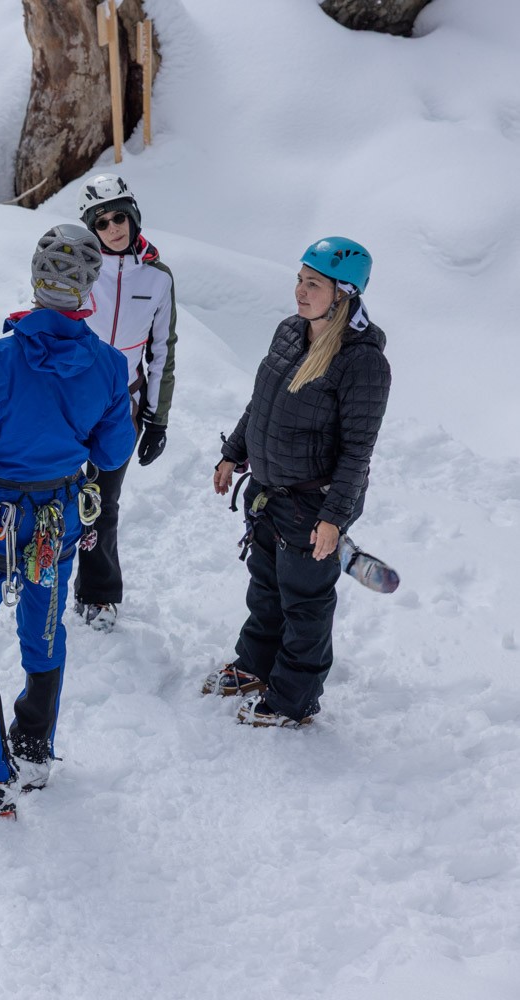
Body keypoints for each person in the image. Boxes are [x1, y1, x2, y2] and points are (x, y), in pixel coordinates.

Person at [0, 225, 136, 818]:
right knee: (43, 617)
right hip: (55, 520)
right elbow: (114, 453)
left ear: (36, 279)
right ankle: (33, 744)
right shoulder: (110, 366)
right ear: (89, 287)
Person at [207, 237, 389, 727]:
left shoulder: (362, 361)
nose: (300, 291)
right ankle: (256, 666)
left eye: (314, 284)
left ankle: (294, 697)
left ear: (343, 293)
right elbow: (261, 403)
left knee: (305, 603)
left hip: (313, 505)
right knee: (266, 586)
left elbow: (358, 451)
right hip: (269, 493)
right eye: (300, 279)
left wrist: (334, 519)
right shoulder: (291, 332)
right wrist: (233, 453)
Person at [72, 173, 179, 632]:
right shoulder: (77, 268)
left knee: (101, 499)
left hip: (122, 408)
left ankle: (97, 593)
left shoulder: (157, 278)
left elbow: (162, 352)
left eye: (120, 217)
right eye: (102, 222)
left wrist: (157, 420)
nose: (113, 228)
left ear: (133, 217)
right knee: (54, 491)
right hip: (70, 403)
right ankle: (42, 575)